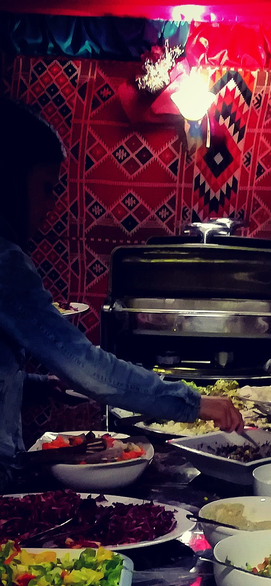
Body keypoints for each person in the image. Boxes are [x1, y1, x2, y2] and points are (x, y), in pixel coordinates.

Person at [0, 98, 241, 490]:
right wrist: (196, 403)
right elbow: (82, 363)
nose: (50, 206)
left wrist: (44, 386)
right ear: (9, 181)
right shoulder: (5, 265)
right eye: (46, 188)